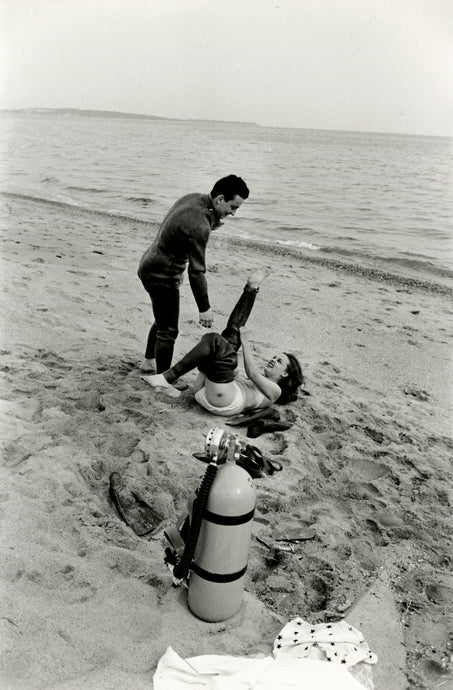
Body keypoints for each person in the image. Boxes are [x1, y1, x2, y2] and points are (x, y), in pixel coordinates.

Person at [141, 269, 304, 416]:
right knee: (229, 340)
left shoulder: (276, 391)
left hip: (223, 402)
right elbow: (241, 373)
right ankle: (251, 288)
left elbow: (252, 373)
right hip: (208, 393)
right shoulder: (260, 381)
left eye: (279, 361)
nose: (273, 360)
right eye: (275, 357)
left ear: (285, 373)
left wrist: (245, 342)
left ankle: (168, 377)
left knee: (216, 341)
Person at [138, 175, 250, 374]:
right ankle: (162, 380)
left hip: (154, 261)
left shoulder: (194, 198)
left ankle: (148, 361)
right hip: (160, 273)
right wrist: (204, 307)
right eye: (233, 207)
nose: (232, 213)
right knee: (169, 331)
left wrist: (178, 266)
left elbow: (176, 233)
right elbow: (197, 271)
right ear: (220, 199)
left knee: (163, 318)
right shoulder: (200, 224)